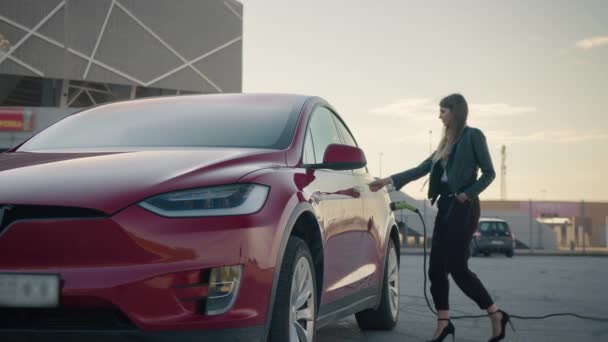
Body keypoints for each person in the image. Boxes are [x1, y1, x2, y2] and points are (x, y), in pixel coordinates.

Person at [369, 94, 513, 342]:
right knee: (436, 269)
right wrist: (387, 181)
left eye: (443, 111)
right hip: (445, 207)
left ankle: (495, 314)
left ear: (455, 112)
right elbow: (421, 168)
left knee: (457, 267)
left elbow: (489, 173)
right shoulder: (445, 143)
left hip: (464, 208)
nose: (439, 116)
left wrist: (468, 194)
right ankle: (444, 324)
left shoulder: (472, 136)